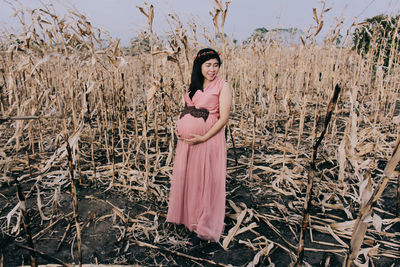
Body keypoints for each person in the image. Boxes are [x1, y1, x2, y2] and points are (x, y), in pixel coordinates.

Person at [166, 48, 232, 244]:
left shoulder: (222, 85)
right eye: (208, 65)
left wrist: (204, 137)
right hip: (187, 143)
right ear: (199, 66)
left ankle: (203, 223)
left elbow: (224, 117)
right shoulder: (193, 86)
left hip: (208, 140)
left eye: (216, 65)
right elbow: (187, 110)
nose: (213, 69)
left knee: (205, 179)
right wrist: (178, 129)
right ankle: (189, 218)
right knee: (191, 177)